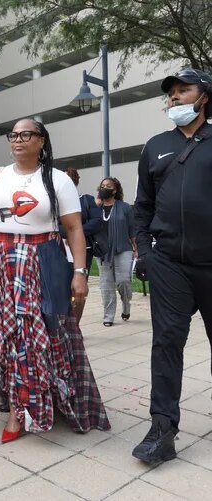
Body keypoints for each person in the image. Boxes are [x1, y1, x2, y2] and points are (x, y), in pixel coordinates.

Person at [0, 118, 110, 443]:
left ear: (41, 141)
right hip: (1, 260)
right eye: (14, 135)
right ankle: (18, 403)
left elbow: (75, 228)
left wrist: (80, 274)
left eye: (26, 135)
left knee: (38, 335)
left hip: (42, 261)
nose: (18, 140)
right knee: (5, 334)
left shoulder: (58, 180)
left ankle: (30, 407)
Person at [132, 68, 212, 465]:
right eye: (172, 93)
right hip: (167, 263)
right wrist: (145, 253)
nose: (176, 98)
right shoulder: (155, 146)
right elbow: (142, 206)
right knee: (166, 344)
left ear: (204, 97)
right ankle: (162, 427)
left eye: (185, 91)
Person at [60, 167, 102, 324]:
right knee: (60, 287)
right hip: (59, 250)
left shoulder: (86, 200)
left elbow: (96, 223)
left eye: (69, 178)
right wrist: (70, 230)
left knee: (78, 290)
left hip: (82, 251)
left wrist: (74, 231)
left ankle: (74, 326)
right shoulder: (52, 202)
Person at [95, 177, 137, 327]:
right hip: (102, 251)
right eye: (102, 185)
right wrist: (95, 205)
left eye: (108, 185)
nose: (105, 187)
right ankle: (108, 316)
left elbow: (132, 230)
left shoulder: (125, 207)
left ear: (115, 189)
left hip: (123, 248)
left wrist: (136, 248)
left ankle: (126, 305)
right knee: (106, 285)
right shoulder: (96, 209)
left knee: (123, 281)